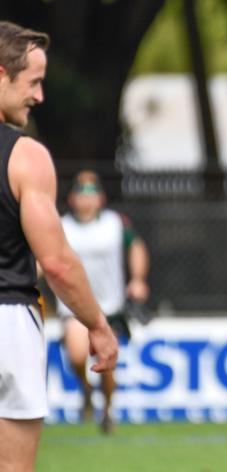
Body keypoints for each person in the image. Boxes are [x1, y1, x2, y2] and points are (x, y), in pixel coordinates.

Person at [0, 21, 118, 471]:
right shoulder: (25, 156)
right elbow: (58, 263)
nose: (40, 96)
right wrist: (98, 326)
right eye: (33, 82)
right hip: (9, 322)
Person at [55, 169, 150, 434]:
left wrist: (138, 279)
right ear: (72, 198)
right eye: (81, 192)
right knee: (76, 356)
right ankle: (86, 389)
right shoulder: (62, 226)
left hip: (109, 307)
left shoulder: (115, 223)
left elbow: (136, 247)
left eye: (92, 192)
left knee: (106, 367)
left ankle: (107, 408)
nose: (87, 198)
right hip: (73, 306)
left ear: (101, 197)